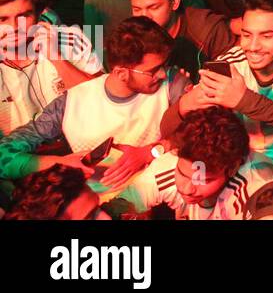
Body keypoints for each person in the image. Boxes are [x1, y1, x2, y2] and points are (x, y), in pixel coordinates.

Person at [0, 17, 185, 191]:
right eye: (153, 70)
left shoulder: (172, 84)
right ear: (121, 73)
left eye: (164, 65)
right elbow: (3, 157)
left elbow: (204, 134)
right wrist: (59, 163)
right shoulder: (69, 104)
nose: (162, 74)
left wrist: (152, 152)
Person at [163, 0, 273, 172]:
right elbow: (167, 128)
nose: (253, 46)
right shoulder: (229, 65)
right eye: (247, 35)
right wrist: (184, 105)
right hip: (238, 165)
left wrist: (243, 100)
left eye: (266, 36)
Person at [115, 106, 273, 219]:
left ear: (233, 168)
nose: (186, 189)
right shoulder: (174, 162)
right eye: (182, 173)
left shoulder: (255, 193)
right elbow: (118, 207)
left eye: (204, 180)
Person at [0, 0, 101, 135]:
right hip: (15, 154)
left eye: (23, 16)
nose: (14, 27)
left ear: (39, 15)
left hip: (80, 140)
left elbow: (102, 100)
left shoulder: (71, 39)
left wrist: (56, 58)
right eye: (2, 19)